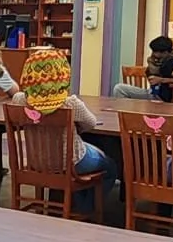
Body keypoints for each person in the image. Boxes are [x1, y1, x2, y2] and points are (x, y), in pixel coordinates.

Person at [13, 45, 117, 209]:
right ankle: (84, 208)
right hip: (71, 162)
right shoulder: (70, 103)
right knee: (110, 167)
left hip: (36, 161)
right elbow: (90, 123)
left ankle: (64, 204)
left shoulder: (19, 100)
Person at [114, 35, 173, 99]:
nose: (153, 54)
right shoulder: (156, 62)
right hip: (153, 92)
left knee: (119, 89)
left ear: (165, 52)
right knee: (120, 88)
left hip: (162, 97)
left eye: (155, 51)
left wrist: (161, 80)